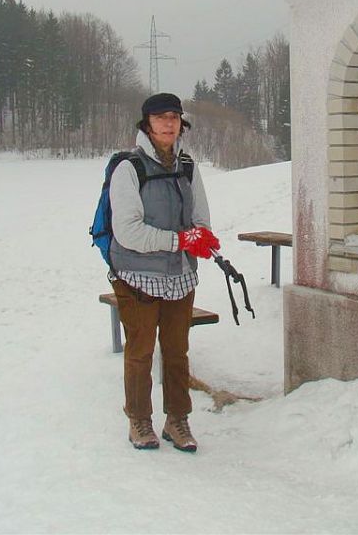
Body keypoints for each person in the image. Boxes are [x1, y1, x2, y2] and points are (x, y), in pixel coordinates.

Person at [108, 92, 220, 452]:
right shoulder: (129, 168)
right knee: (140, 352)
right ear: (147, 124)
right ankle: (139, 419)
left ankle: (177, 419)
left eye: (174, 117)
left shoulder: (188, 166)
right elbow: (128, 231)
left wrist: (200, 236)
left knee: (176, 351)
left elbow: (201, 218)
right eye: (160, 117)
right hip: (137, 277)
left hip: (181, 276)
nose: (168, 123)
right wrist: (181, 240)